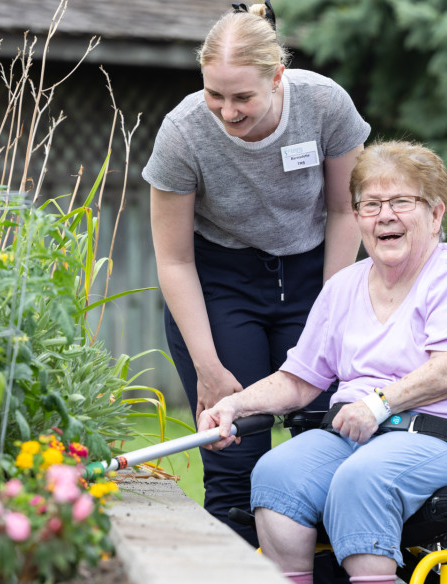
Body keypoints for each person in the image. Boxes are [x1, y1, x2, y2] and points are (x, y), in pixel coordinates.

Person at [198, 140, 447, 584]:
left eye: (400, 202)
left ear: (435, 213)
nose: (384, 216)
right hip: (362, 433)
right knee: (276, 473)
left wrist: (379, 403)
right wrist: (236, 405)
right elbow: (300, 378)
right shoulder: (344, 286)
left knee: (363, 479)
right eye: (370, 205)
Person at [142, 2, 370, 545]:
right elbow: (174, 259)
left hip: (316, 273)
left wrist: (331, 311)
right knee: (234, 450)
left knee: (324, 439)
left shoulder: (324, 104)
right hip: (221, 282)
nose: (227, 111)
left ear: (277, 77)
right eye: (214, 94)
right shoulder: (183, 134)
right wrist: (207, 366)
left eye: (242, 96)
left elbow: (345, 211)